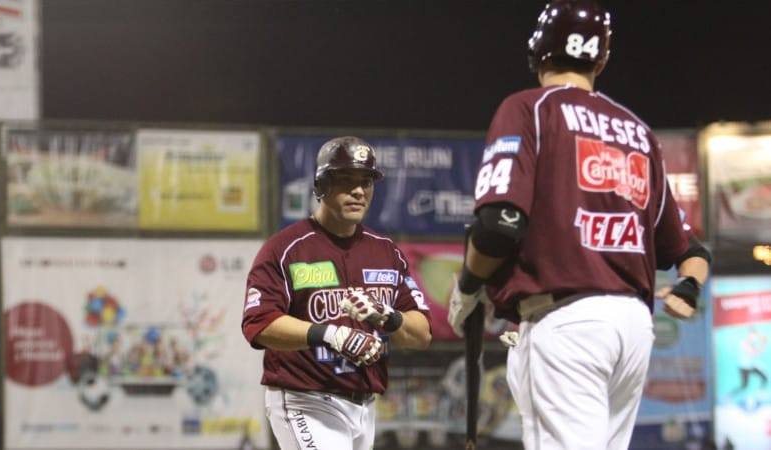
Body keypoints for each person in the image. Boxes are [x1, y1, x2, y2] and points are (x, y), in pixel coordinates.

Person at [446, 1, 711, 449]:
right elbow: (691, 252)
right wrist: (688, 289)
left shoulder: (530, 108)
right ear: (601, 59)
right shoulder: (637, 132)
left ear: (538, 53)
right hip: (632, 328)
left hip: (566, 321)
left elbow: (499, 225)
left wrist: (470, 286)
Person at [241, 136, 432, 450]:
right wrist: (331, 334)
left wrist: (390, 317)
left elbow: (421, 334)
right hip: (306, 399)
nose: (359, 191)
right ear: (321, 186)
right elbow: (259, 324)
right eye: (346, 180)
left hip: (366, 405)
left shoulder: (386, 251)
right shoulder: (285, 248)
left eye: (366, 181)